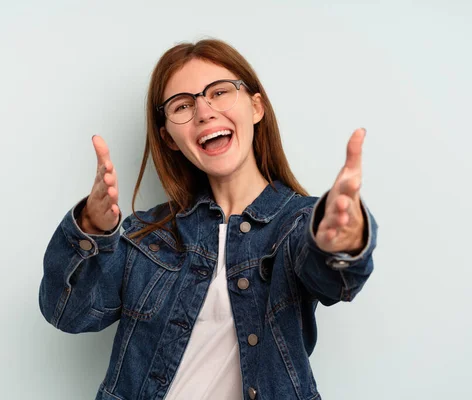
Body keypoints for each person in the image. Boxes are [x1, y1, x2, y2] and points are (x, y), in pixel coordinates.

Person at [39, 38, 378, 400]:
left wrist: (341, 244)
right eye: (182, 105)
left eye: (219, 92)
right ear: (169, 137)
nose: (204, 112)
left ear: (256, 106)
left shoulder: (298, 223)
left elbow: (334, 279)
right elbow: (69, 313)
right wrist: (91, 229)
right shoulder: (148, 237)